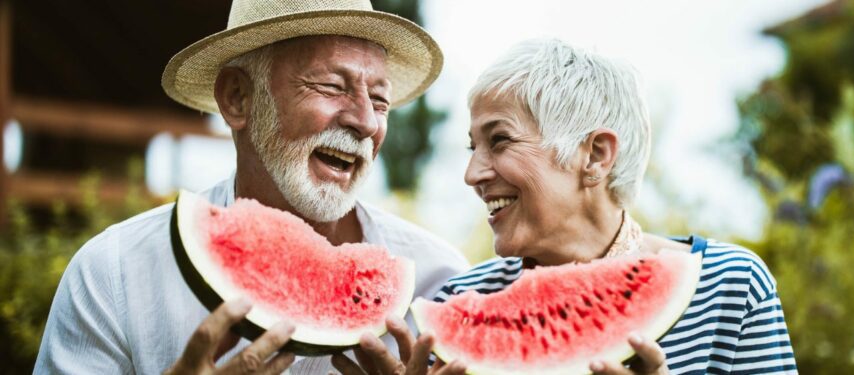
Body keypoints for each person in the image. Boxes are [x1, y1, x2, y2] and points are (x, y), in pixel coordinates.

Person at [33, 1, 469, 374]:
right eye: (332, 86)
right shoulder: (113, 275)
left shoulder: (442, 284)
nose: (366, 122)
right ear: (238, 97)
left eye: (380, 99)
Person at [434, 38, 798, 374]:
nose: (472, 174)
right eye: (473, 147)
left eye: (500, 140)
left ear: (595, 155)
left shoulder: (729, 286)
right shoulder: (461, 302)